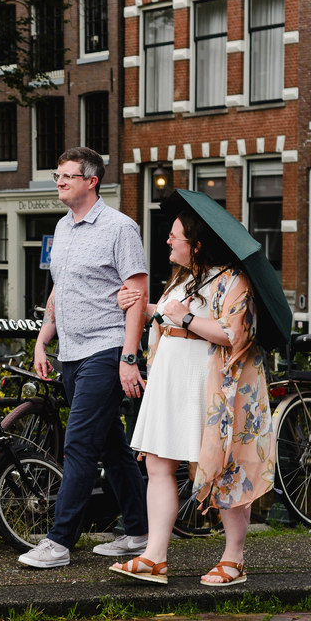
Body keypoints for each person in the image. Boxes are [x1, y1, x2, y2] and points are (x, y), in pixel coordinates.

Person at [109, 208, 274, 586]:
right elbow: (168, 316)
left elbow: (235, 335)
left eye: (175, 236)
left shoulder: (234, 280)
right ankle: (155, 557)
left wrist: (184, 318)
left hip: (207, 384)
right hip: (171, 379)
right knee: (158, 464)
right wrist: (141, 306)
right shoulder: (182, 279)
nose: (167, 240)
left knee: (224, 469)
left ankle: (234, 559)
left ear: (196, 245)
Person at [18, 147, 150, 569]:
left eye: (68, 176)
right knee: (111, 445)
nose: (59, 181)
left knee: (78, 445)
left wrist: (129, 357)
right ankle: (139, 532)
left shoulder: (120, 228)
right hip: (71, 353)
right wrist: (42, 341)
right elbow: (60, 289)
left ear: (91, 181)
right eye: (57, 175)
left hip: (106, 350)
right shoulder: (62, 227)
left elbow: (137, 295)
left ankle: (58, 542)